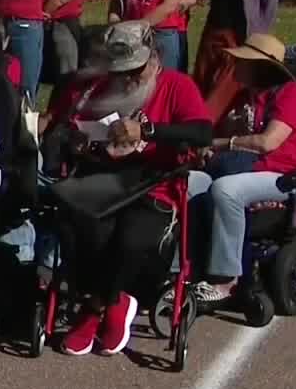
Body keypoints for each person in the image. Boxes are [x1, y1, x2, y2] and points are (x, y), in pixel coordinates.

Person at [41, 22, 214, 356]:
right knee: (80, 226)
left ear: (153, 59)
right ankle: (102, 302)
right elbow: (58, 127)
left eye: (135, 71)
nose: (129, 79)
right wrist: (74, 140)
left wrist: (149, 130)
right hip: (101, 178)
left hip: (154, 183)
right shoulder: (96, 88)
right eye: (121, 71)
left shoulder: (176, 86)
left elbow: (202, 133)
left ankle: (104, 305)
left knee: (133, 237)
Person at [189, 33, 296, 306]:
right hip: (244, 170)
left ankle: (226, 280)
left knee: (226, 190)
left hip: (282, 176)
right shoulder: (245, 97)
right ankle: (184, 269)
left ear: (261, 67)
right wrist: (208, 149)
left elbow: (267, 142)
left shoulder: (292, 95)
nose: (236, 67)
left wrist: (222, 143)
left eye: (243, 62)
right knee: (188, 183)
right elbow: (220, 134)